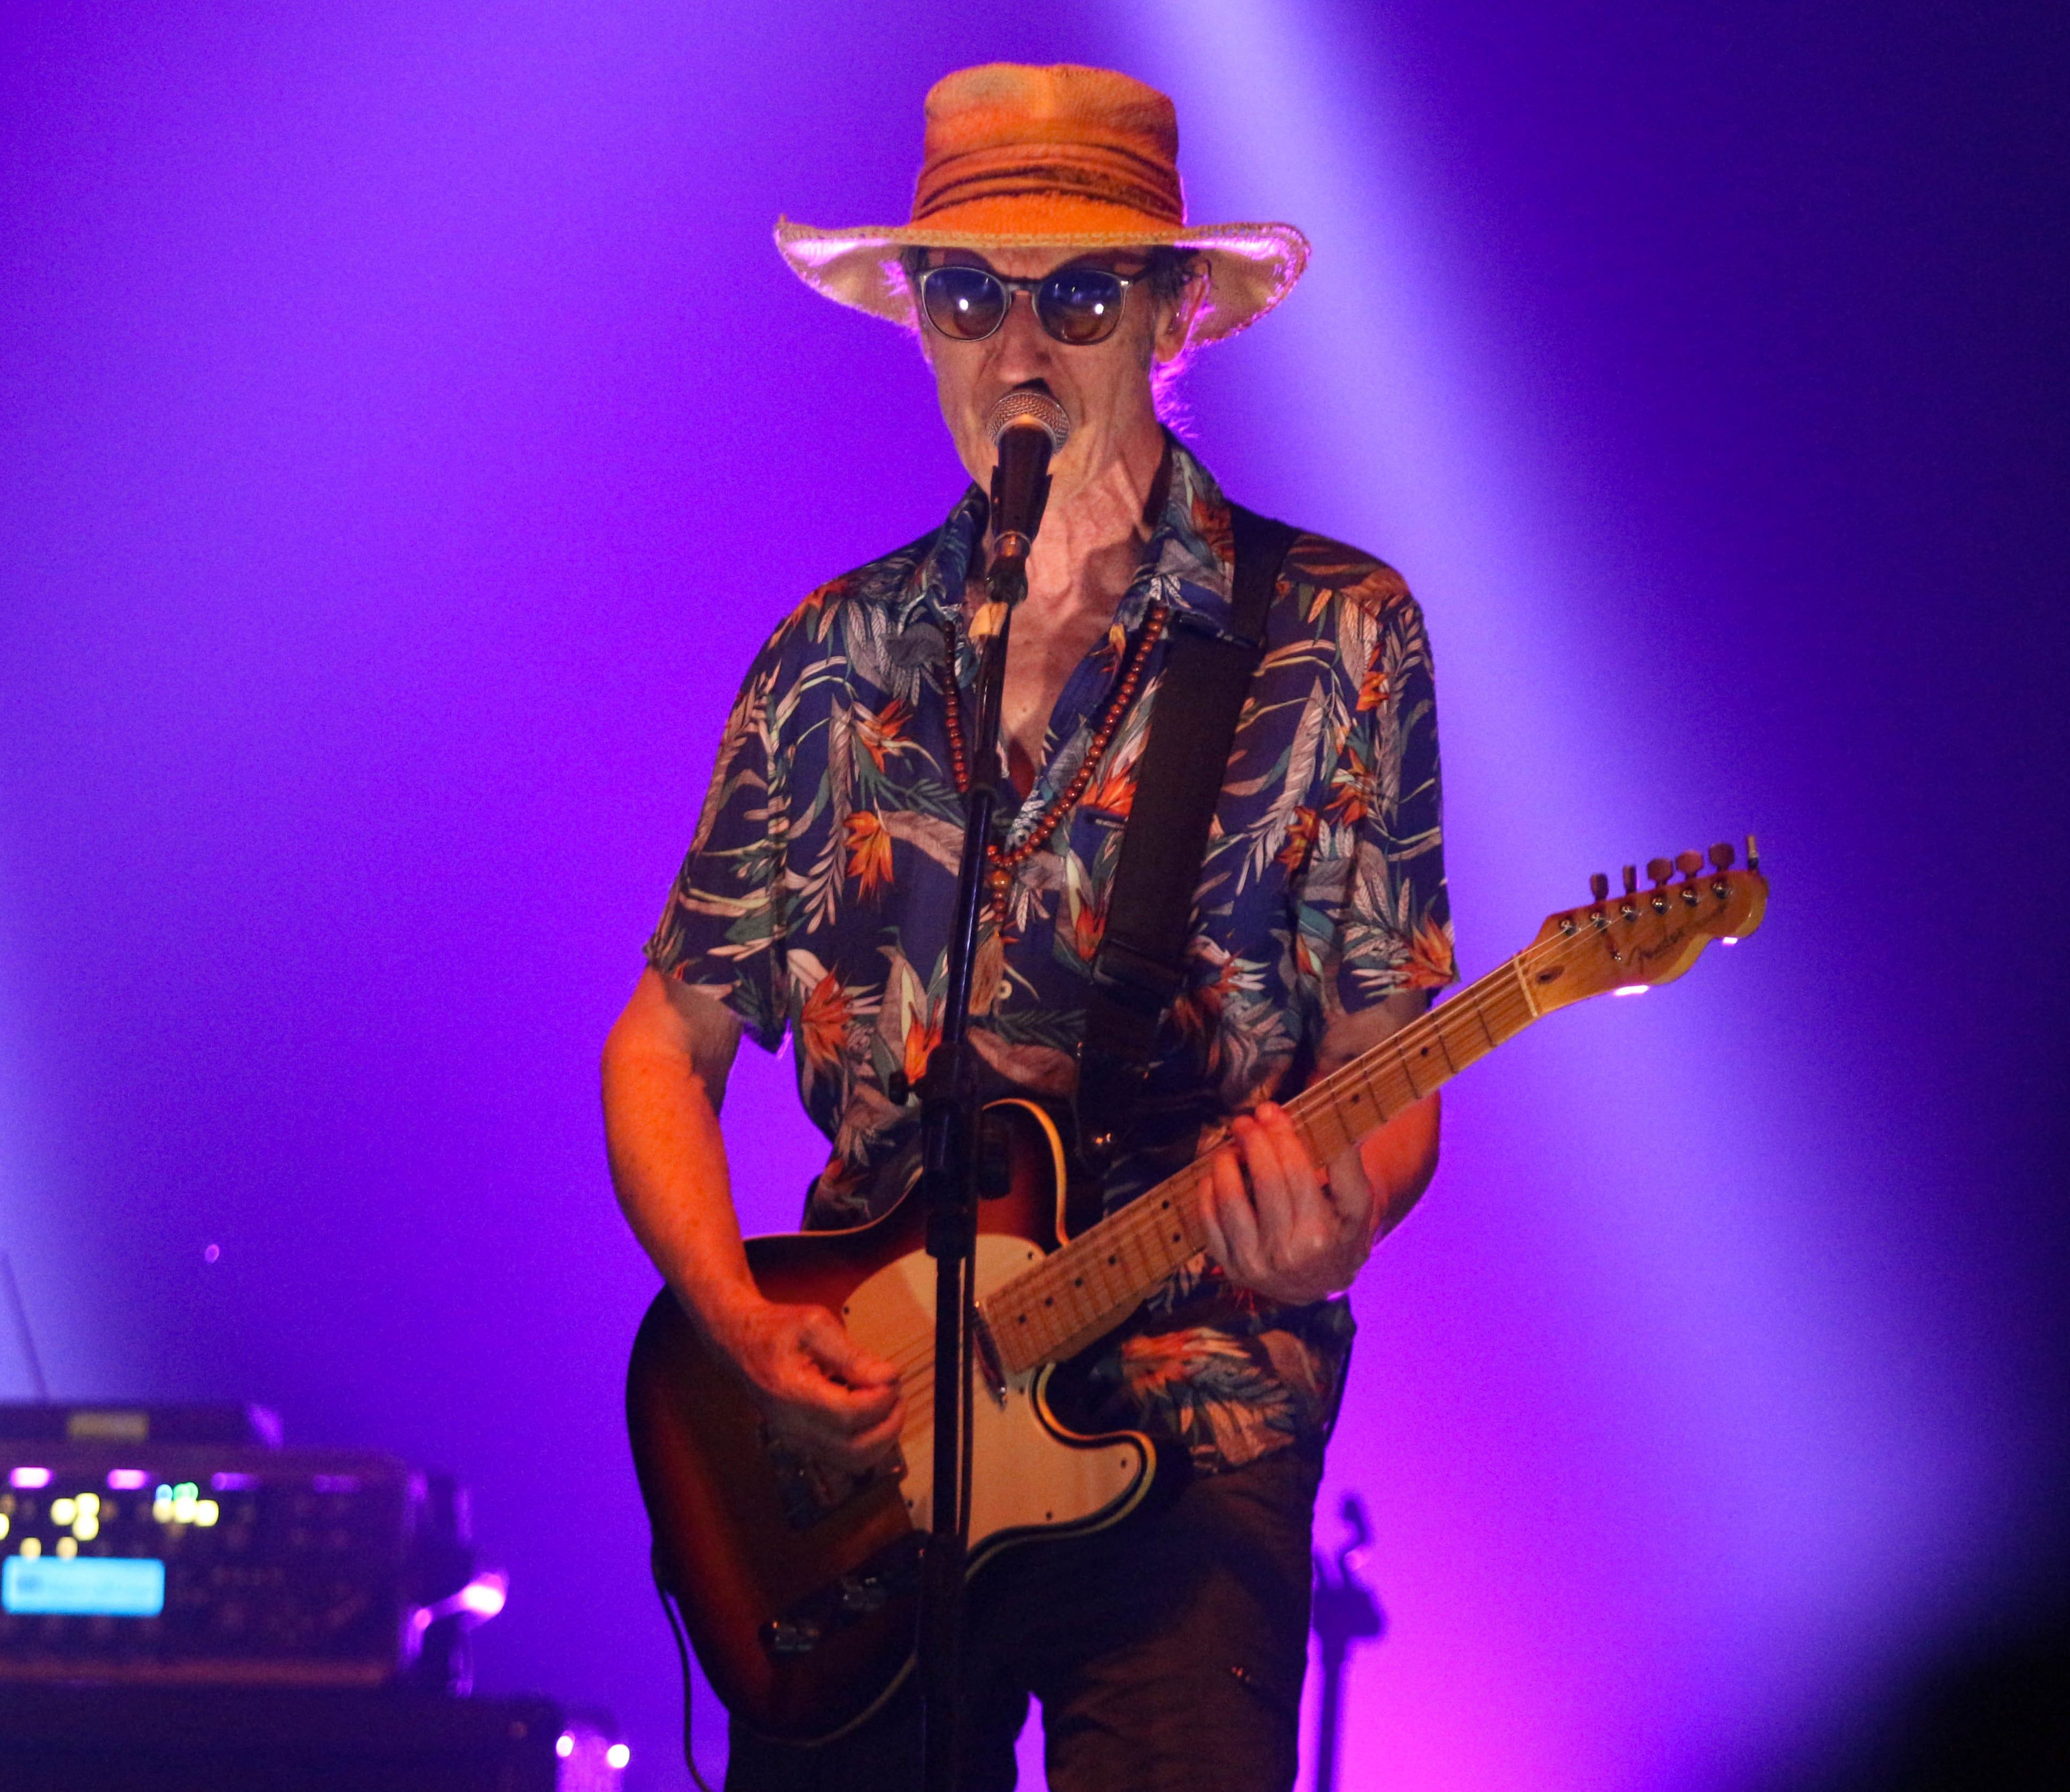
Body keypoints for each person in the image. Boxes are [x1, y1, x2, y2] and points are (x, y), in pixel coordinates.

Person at [604, 63, 1454, 1792]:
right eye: (970, 291)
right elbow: (661, 1041)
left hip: (1192, 1413)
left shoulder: (1333, 633)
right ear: (917, 316)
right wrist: (739, 1325)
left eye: (1077, 292)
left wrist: (1335, 1226)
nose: (1018, 345)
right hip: (859, 1443)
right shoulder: (829, 663)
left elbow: (1390, 1064)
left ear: (1169, 314)